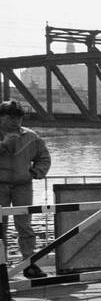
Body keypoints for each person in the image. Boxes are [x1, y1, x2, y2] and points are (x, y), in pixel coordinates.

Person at [0, 100, 52, 278]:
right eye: (11, 118)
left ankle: (30, 264)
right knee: (0, 227)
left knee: (25, 226)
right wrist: (3, 145)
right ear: (1, 118)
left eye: (19, 118)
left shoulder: (31, 137)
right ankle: (1, 266)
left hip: (23, 186)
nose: (16, 122)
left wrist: (36, 172)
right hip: (0, 186)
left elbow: (44, 157)